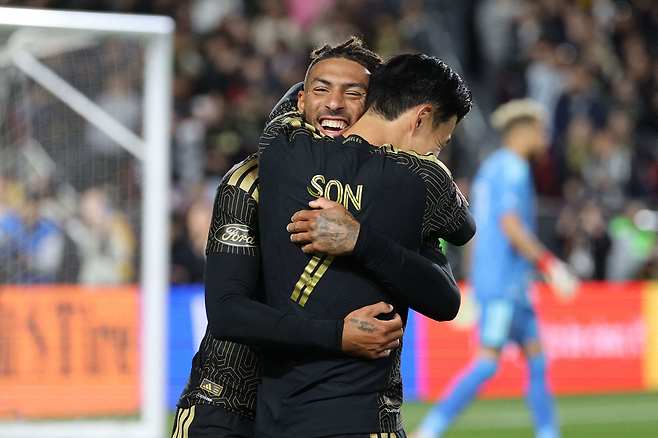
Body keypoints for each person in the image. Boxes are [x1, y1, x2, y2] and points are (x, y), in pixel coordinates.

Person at [173, 37, 409, 438]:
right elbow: (228, 311)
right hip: (228, 402)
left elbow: (442, 290)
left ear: (375, 108)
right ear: (301, 101)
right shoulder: (250, 182)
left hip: (336, 406)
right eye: (321, 90)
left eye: (353, 93)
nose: (334, 104)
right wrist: (338, 335)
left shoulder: (395, 186)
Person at [256, 53, 474, 437]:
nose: (434, 152)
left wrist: (378, 89)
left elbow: (294, 97)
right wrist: (362, 240)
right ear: (421, 117)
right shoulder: (420, 181)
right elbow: (461, 237)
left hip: (277, 418)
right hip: (362, 417)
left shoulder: (279, 148)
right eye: (441, 140)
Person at [414, 99, 579, 438]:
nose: (545, 138)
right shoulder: (514, 169)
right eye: (541, 131)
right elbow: (510, 225)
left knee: (537, 359)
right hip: (504, 286)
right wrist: (551, 265)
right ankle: (430, 430)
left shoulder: (491, 168)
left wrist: (472, 281)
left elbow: (476, 231)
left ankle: (548, 433)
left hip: (507, 284)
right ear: (524, 131)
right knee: (487, 362)